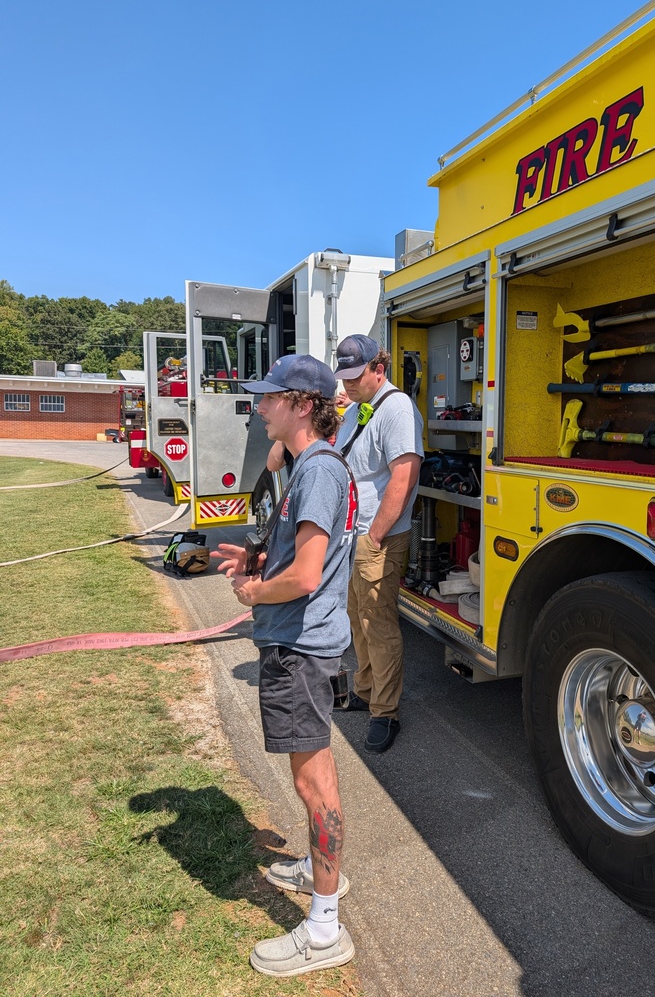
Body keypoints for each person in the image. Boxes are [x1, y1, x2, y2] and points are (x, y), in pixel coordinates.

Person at [211, 353, 358, 978]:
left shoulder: (318, 471)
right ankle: (318, 871)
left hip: (301, 650)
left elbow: (303, 577)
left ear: (303, 404)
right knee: (311, 778)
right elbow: (297, 559)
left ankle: (324, 928)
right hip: (302, 644)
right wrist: (255, 563)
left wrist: (252, 593)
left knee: (314, 784)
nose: (259, 406)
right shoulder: (310, 467)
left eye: (270, 398)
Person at [333, 334, 423, 754]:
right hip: (356, 534)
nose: (348, 384)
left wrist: (374, 537)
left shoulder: (398, 408)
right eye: (344, 376)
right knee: (357, 617)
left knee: (378, 625)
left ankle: (385, 713)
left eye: (356, 376)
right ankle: (365, 691)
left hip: (378, 537)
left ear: (378, 369)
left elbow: (402, 478)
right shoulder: (356, 409)